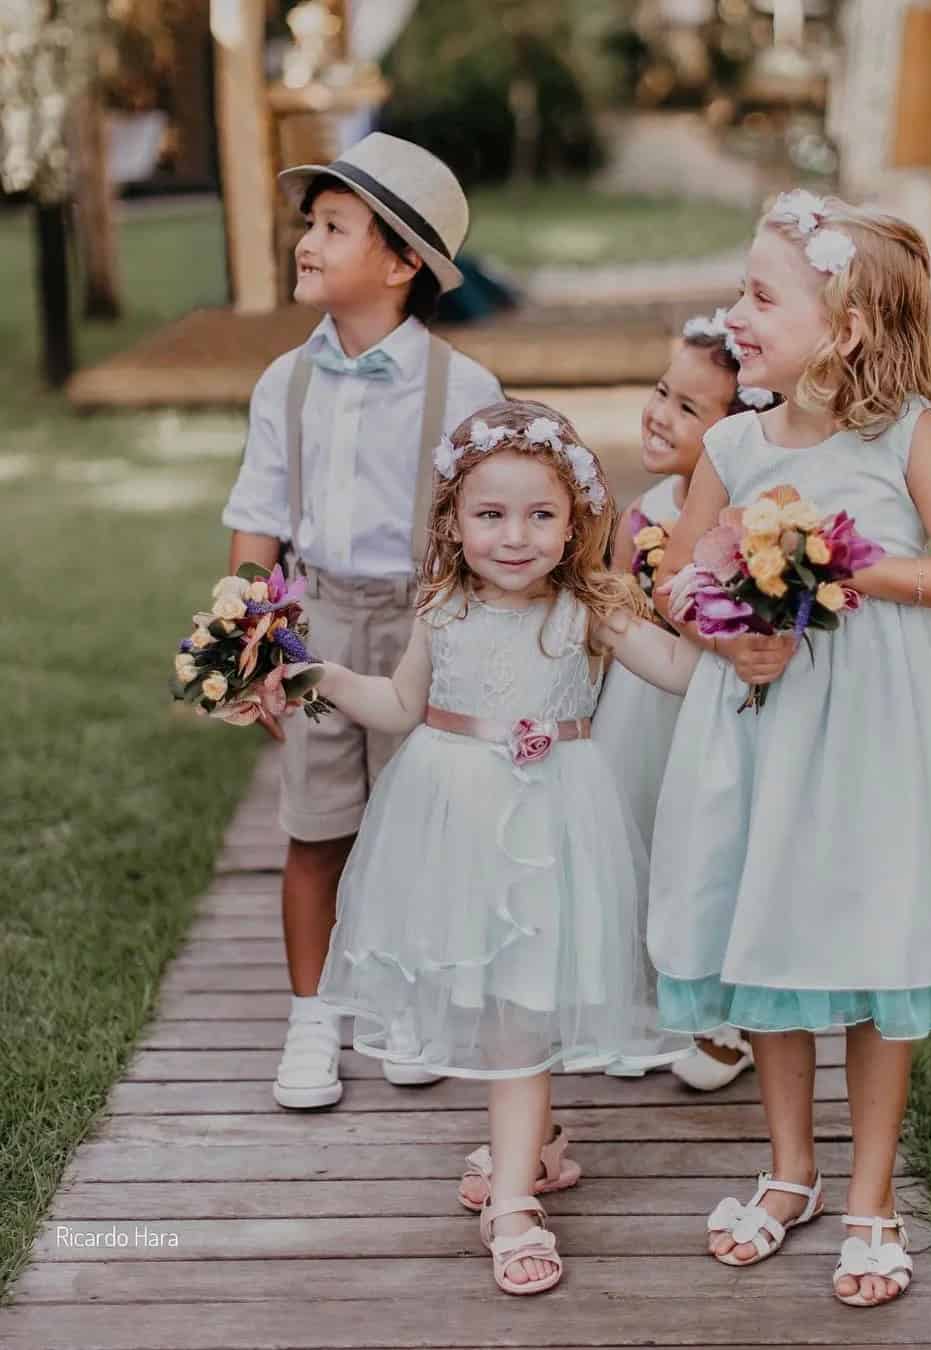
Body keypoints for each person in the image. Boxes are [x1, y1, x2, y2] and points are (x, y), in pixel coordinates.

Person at [650, 191, 931, 1307]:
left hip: (872, 733)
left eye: (762, 295)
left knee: (871, 937)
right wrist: (729, 627)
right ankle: (791, 1170)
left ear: (842, 327)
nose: (737, 313)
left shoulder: (904, 435)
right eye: (739, 290)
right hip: (762, 726)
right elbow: (676, 580)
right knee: (766, 926)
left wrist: (840, 568)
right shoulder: (734, 442)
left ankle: (871, 1194)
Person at [285, 399, 697, 1294]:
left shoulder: (592, 607)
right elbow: (397, 707)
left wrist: (727, 610)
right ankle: (536, 1145)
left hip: (555, 827)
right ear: (453, 521)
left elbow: (680, 672)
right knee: (498, 998)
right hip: (455, 824)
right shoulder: (442, 608)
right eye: (491, 515)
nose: (516, 536)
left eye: (541, 515)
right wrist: (310, 673)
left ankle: (513, 1199)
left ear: (576, 519)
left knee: (522, 1006)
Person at [221, 133, 502, 1107]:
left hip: (427, 625)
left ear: (400, 263)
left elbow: (492, 526)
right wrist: (247, 636)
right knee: (315, 821)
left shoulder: (462, 390)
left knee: (416, 820)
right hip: (319, 621)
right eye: (311, 222)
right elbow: (258, 518)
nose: (307, 240)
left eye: (334, 226)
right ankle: (314, 1019)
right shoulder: (283, 384)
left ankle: (408, 1001)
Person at [594, 310, 772, 1090]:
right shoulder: (644, 512)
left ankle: (726, 1017)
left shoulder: (741, 524)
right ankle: (643, 1006)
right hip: (636, 707)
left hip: (703, 709)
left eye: (689, 408)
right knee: (630, 837)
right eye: (664, 391)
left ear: (736, 433)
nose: (661, 414)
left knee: (706, 852)